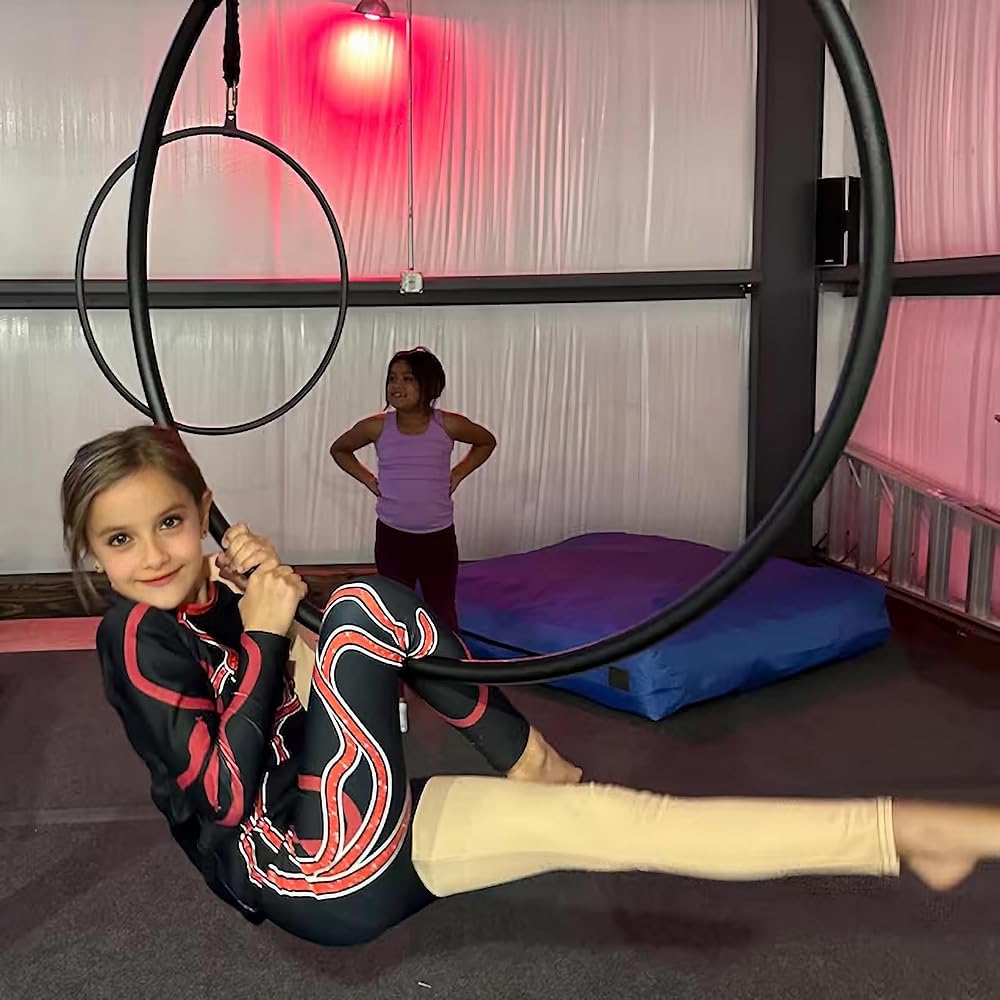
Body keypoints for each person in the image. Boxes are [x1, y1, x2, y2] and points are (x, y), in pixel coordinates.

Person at [63, 425, 1000, 949]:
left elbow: (314, 699)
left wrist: (274, 605)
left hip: (365, 852)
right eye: (120, 540)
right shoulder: (135, 635)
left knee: (628, 822)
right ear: (91, 554)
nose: (154, 556)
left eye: (172, 522)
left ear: (204, 515)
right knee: (365, 604)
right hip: (303, 866)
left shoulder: (226, 594)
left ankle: (904, 834)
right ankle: (531, 755)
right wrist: (278, 628)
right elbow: (222, 797)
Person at [329, 347, 495, 633]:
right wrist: (368, 479)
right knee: (394, 607)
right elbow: (340, 449)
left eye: (408, 379)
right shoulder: (376, 427)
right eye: (392, 378)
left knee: (441, 607)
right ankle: (397, 656)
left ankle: (446, 657)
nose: (397, 385)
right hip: (393, 537)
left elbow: (486, 441)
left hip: (438, 538)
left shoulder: (448, 424)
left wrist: (458, 473)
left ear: (430, 385)